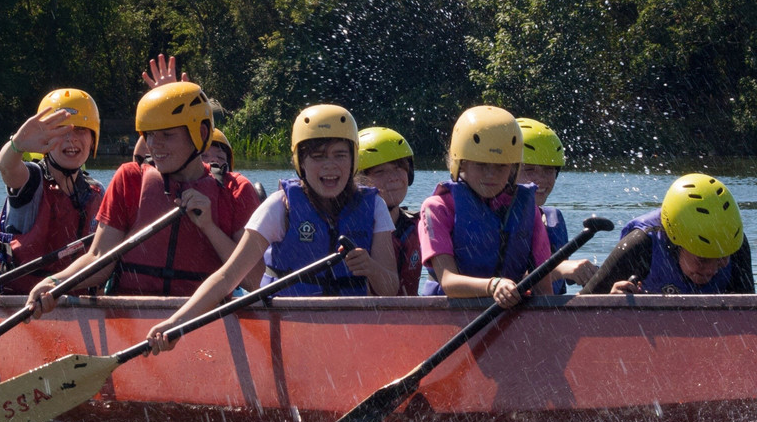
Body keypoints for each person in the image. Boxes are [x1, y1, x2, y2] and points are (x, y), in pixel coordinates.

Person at [145, 103, 401, 353]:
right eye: (318, 156)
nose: (329, 166)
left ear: (354, 158)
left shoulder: (374, 206)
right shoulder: (281, 207)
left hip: (349, 337)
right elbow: (227, 277)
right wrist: (176, 322)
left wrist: (371, 268)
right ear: (301, 161)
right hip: (288, 333)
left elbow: (390, 287)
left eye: (340, 155)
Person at [25, 81, 259, 309]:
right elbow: (99, 257)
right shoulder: (130, 179)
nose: (154, 145)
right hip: (130, 319)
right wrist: (56, 282)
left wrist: (210, 227)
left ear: (200, 133)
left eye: (167, 135)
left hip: (203, 323)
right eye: (149, 135)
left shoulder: (236, 190)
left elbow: (254, 280)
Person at [419, 105, 553, 308]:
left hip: (510, 316)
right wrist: (493, 286)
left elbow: (544, 289)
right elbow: (448, 281)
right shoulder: (437, 208)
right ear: (461, 163)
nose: (491, 175)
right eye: (481, 165)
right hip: (452, 316)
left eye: (500, 166)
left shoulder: (528, 209)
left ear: (513, 168)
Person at [0, 89, 104, 293]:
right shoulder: (31, 180)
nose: (72, 139)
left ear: (93, 139)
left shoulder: (97, 191)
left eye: (80, 131)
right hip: (22, 305)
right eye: (62, 131)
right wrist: (18, 144)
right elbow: (7, 167)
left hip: (79, 308)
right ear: (45, 141)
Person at [582, 173, 753, 294]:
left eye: (722, 259)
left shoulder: (733, 243)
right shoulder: (641, 244)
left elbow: (748, 320)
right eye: (702, 259)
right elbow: (578, 312)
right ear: (674, 243)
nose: (711, 270)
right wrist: (608, 306)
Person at [515, 118, 597, 293]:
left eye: (548, 170)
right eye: (529, 169)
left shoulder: (552, 219)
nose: (541, 179)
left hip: (543, 317)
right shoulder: (489, 222)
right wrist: (558, 269)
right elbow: (502, 282)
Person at [356, 126, 421, 295]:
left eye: (399, 168)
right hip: (366, 319)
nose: (393, 178)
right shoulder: (352, 229)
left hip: (413, 319)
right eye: (380, 171)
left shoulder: (420, 225)